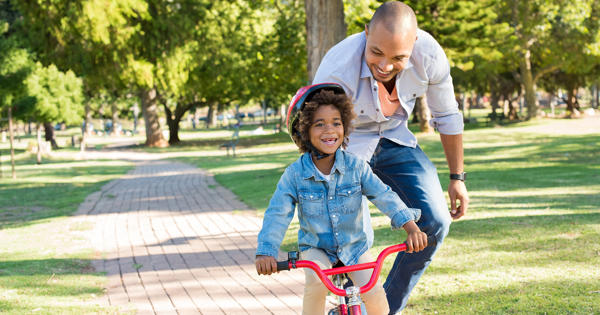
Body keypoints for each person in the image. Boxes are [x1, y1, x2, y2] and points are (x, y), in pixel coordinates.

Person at [312, 1, 470, 313]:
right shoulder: (336, 69)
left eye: (398, 58)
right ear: (366, 32)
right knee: (349, 234)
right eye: (376, 53)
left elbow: (447, 115)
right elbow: (319, 134)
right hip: (345, 144)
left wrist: (457, 179)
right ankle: (349, 303)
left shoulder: (430, 56)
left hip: (396, 137)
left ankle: (384, 308)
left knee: (435, 222)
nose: (384, 65)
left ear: (414, 43)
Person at [255, 83, 427, 315]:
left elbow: (383, 194)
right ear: (303, 131)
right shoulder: (294, 175)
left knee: (374, 290)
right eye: (320, 124)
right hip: (316, 249)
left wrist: (411, 226)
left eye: (336, 123)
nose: (330, 130)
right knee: (316, 283)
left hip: (354, 246)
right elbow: (277, 213)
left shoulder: (356, 167)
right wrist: (266, 252)